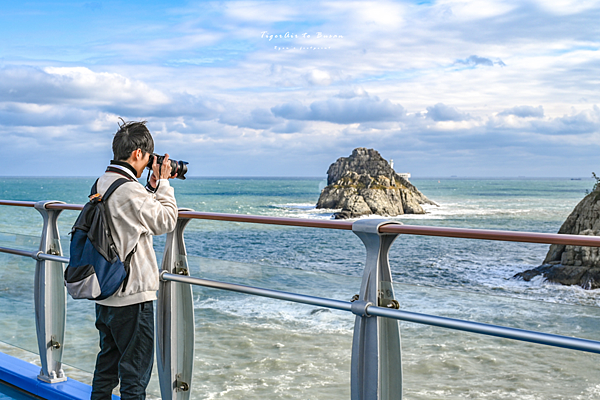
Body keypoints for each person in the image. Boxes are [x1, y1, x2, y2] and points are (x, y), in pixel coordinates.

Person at [91, 120, 178, 400]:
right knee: (134, 377)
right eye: (147, 159)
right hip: (132, 298)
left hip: (105, 291)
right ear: (138, 154)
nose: (147, 166)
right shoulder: (129, 189)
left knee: (107, 367)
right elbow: (166, 220)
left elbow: (130, 218)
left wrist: (151, 188)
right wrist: (163, 183)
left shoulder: (103, 182)